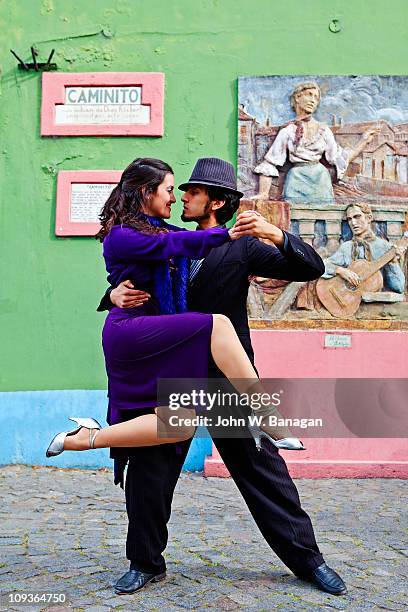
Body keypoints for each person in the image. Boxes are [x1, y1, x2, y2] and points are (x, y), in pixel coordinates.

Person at [99, 157, 347, 596]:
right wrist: (112, 294)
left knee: (262, 471)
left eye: (192, 192)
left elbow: (312, 268)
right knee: (150, 472)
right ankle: (144, 562)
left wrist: (274, 234)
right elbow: (132, 268)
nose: (182, 199)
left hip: (224, 381)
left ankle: (309, 561)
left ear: (215, 201)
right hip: (172, 375)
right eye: (179, 190)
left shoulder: (242, 248)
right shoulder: (164, 239)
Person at [253, 81, 378, 203]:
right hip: (296, 181)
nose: (313, 100)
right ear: (297, 97)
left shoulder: (323, 130)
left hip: (320, 180)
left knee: (324, 217)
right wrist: (263, 193)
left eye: (316, 97)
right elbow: (270, 163)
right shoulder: (288, 131)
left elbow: (339, 159)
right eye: (309, 95)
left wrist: (364, 141)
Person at [322, 202, 406, 291]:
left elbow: (399, 287)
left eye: (357, 217)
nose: (353, 223)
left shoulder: (385, 247)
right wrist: (340, 271)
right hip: (349, 300)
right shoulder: (347, 247)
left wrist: (393, 263)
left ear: (369, 218)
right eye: (349, 219)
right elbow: (322, 266)